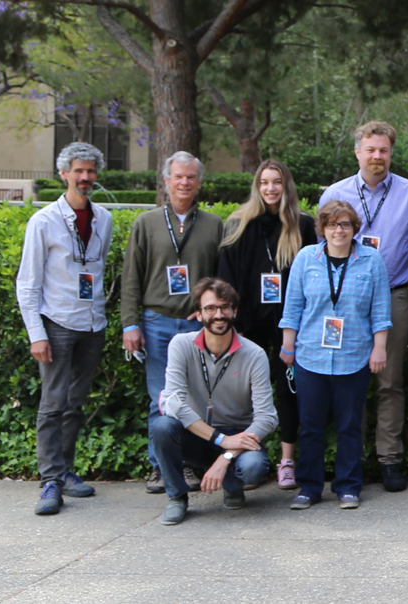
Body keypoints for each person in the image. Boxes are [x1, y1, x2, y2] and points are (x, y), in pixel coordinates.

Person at [316, 121, 408, 493]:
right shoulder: (335, 193)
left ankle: (389, 459)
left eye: (383, 150)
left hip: (394, 296)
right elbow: (322, 249)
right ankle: (353, 460)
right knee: (349, 381)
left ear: (391, 152)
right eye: (370, 150)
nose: (377, 156)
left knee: (389, 382)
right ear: (357, 152)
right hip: (343, 299)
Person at [18, 142, 115, 515]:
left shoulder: (104, 218)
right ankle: (49, 481)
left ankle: (66, 470)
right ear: (64, 174)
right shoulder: (43, 221)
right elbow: (27, 283)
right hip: (56, 323)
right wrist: (36, 334)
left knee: (75, 403)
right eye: (79, 171)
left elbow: (96, 267)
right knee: (53, 403)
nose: (86, 178)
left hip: (92, 324)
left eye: (91, 171)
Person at [121, 151, 223, 494]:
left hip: (196, 326)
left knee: (195, 398)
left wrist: (208, 311)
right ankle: (159, 467)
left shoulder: (213, 224)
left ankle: (191, 465)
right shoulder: (146, 223)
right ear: (166, 181)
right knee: (160, 398)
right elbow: (131, 277)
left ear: (198, 183)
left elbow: (219, 278)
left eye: (190, 177)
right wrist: (129, 324)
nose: (184, 183)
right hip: (156, 323)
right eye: (177, 177)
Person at [279, 201, 392, 510]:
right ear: (322, 229)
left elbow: (380, 311)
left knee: (349, 425)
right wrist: (288, 346)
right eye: (331, 224)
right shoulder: (306, 259)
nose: (338, 230)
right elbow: (293, 308)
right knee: (311, 426)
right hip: (310, 355)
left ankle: (348, 485)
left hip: (354, 355)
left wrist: (378, 348)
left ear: (354, 228)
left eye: (344, 224)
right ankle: (310, 487)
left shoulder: (371, 261)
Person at [217, 159, 318, 490]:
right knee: (248, 393)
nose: (271, 188)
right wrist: (234, 323)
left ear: (286, 186)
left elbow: (312, 278)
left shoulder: (302, 225)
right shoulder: (238, 224)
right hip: (249, 325)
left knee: (289, 391)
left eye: (277, 182)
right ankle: (251, 458)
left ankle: (287, 460)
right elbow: (227, 277)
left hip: (290, 325)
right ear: (257, 186)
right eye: (264, 182)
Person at [150, 278, 278, 525]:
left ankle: (232, 485)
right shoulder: (181, 345)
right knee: (162, 426)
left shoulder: (254, 354)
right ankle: (177, 497)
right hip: (195, 433)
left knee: (253, 465)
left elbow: (267, 417)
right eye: (210, 308)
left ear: (234, 311)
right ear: (198, 314)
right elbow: (172, 403)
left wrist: (226, 454)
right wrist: (220, 440)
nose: (218, 315)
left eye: (224, 307)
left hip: (236, 435)